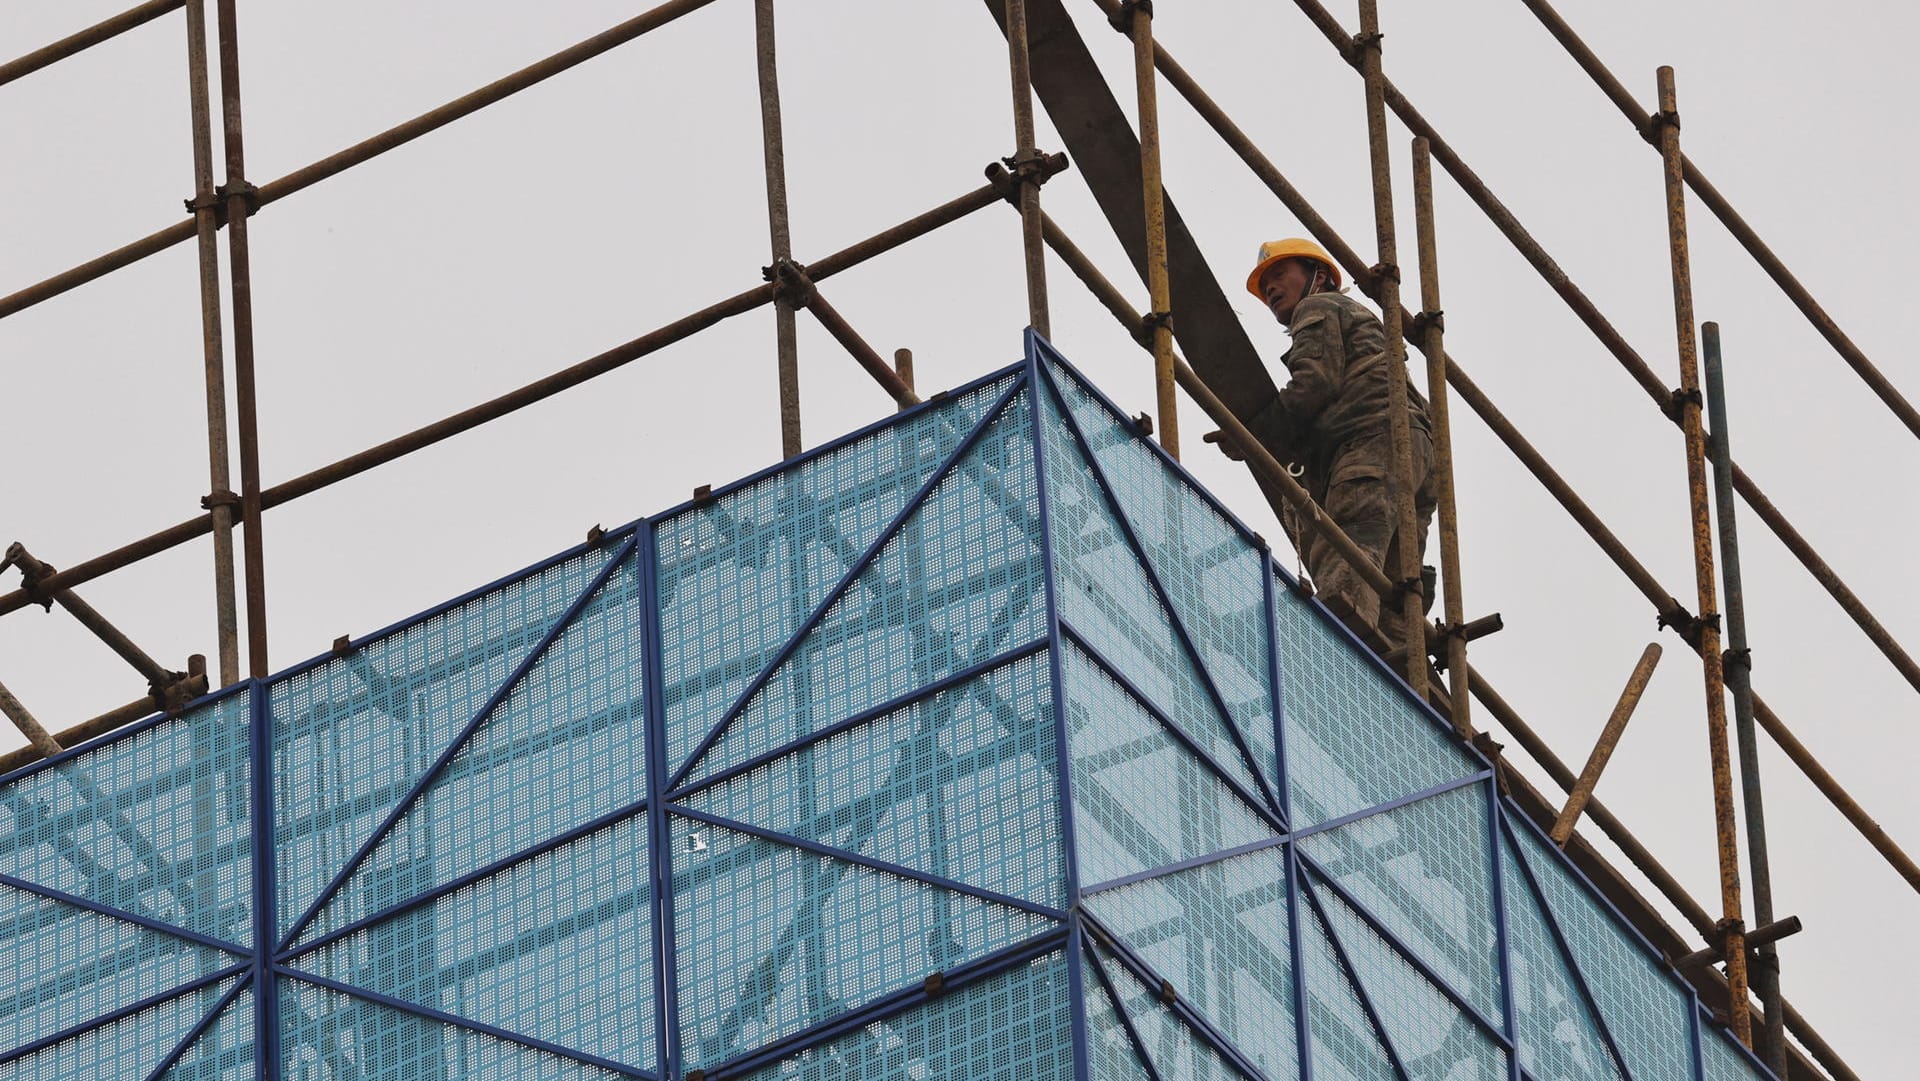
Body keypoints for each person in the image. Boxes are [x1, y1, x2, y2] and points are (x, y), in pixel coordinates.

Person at [1233, 238, 1436, 647]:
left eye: (1279, 274)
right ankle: (1402, 659)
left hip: (1372, 441)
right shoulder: (1359, 319)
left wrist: (1255, 434)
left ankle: (1342, 642)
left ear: (1319, 275)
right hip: (1416, 450)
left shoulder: (1320, 307)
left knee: (1347, 543)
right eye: (1265, 283)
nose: (1270, 288)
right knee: (1396, 583)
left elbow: (1314, 383)